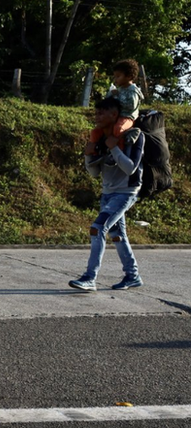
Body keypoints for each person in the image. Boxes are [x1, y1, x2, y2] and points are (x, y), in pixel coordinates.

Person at [70, 96, 145, 292]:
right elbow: (95, 173)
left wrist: (115, 148)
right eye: (96, 112)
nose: (97, 116)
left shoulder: (133, 136)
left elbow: (130, 168)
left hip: (126, 192)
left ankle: (89, 277)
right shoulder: (101, 137)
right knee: (117, 234)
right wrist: (88, 156)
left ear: (115, 114)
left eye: (102, 112)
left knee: (97, 228)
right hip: (107, 193)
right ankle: (133, 276)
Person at [89, 59, 143, 150]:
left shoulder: (133, 90)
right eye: (115, 77)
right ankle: (94, 152)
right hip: (115, 116)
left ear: (129, 76)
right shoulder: (120, 89)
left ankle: (119, 152)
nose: (115, 79)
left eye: (118, 76)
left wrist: (117, 96)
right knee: (97, 131)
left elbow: (131, 106)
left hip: (127, 117)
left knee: (118, 128)